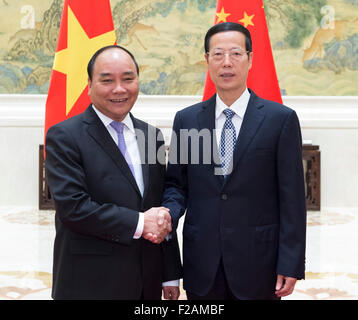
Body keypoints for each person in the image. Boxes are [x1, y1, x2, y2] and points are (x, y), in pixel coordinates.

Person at [162, 22, 306, 300]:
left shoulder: (280, 120)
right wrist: (167, 215)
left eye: (236, 54)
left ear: (250, 59)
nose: (226, 63)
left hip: (259, 263)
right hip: (201, 263)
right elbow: (176, 186)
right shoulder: (188, 120)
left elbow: (292, 199)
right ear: (206, 60)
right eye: (217, 54)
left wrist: (290, 262)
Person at [45, 45, 182, 300]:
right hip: (90, 283)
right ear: (89, 84)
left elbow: (158, 206)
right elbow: (74, 208)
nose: (119, 89)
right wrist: (141, 222)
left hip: (146, 283)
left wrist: (169, 274)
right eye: (107, 80)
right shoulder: (64, 136)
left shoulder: (151, 136)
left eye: (128, 79)